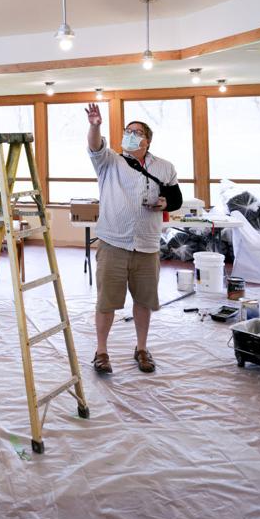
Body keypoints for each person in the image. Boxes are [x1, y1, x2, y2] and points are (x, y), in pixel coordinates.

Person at [85, 104, 180, 374]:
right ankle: (101, 351)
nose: (129, 135)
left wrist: (164, 203)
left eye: (135, 132)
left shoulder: (164, 167)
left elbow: (175, 198)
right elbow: (95, 145)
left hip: (147, 245)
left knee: (144, 300)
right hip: (114, 242)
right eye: (127, 131)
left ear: (146, 140)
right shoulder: (110, 160)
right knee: (106, 301)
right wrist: (94, 125)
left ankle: (141, 348)